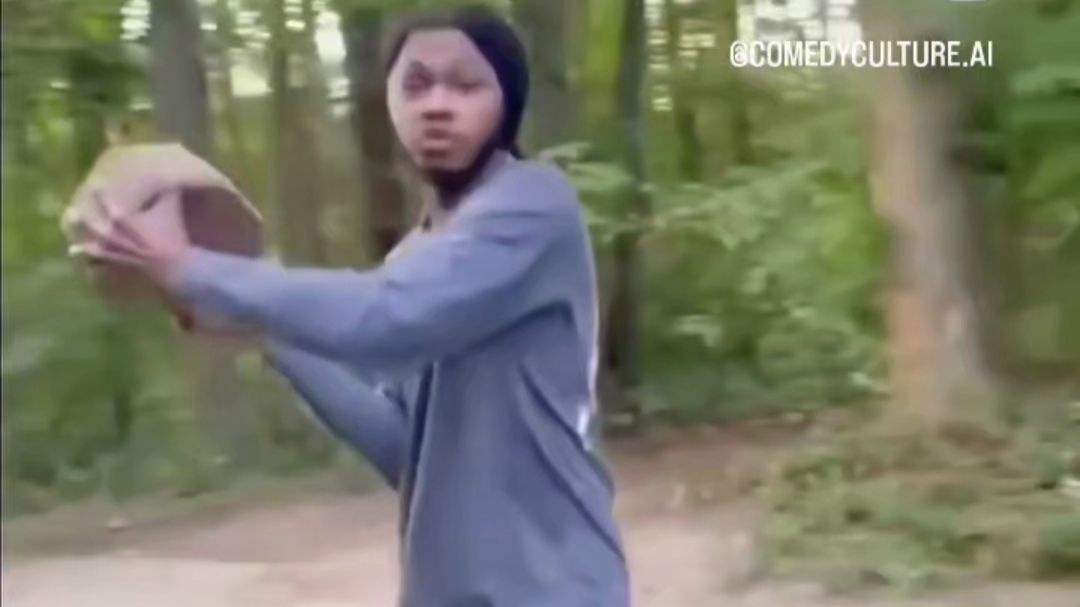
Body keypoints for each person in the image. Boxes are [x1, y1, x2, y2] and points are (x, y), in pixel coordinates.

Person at [80, 4, 630, 606]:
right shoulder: (414, 256)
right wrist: (261, 327)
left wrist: (194, 269)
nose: (437, 104)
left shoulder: (534, 202)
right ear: (390, 103)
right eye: (416, 85)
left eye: (466, 84)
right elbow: (402, 446)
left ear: (507, 103)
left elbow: (386, 318)